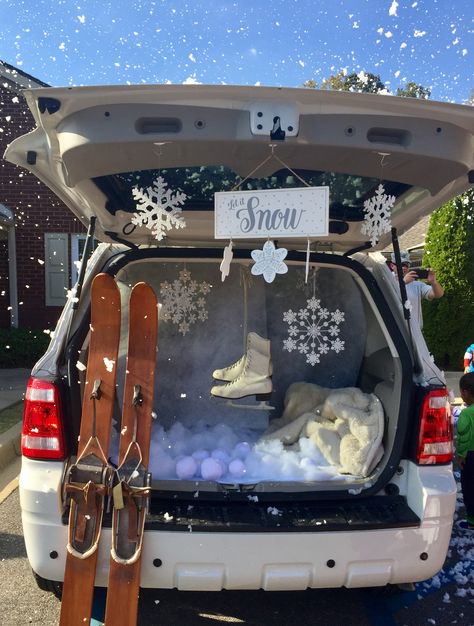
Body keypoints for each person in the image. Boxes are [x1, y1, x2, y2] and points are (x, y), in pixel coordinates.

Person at [389, 250, 444, 328]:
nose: (404, 267)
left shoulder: (416, 284)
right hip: (395, 330)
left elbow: (438, 294)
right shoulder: (385, 280)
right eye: (401, 264)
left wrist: (434, 282)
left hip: (416, 331)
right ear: (392, 266)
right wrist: (403, 283)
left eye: (407, 265)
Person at [457, 372, 474, 530]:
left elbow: (464, 437)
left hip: (471, 456)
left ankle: (472, 521)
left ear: (466, 393)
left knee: (469, 487)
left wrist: (461, 455)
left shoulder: (467, 414)